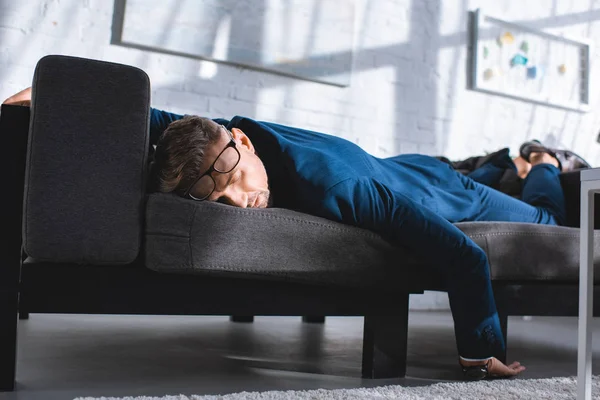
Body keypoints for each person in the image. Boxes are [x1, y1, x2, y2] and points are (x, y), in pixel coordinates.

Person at [1, 87, 580, 380]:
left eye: (233, 183)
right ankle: (499, 161)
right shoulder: (222, 142)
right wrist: (56, 96)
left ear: (244, 144)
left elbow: (462, 254)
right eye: (216, 203)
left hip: (444, 194)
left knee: (546, 216)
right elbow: (159, 124)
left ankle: (542, 162)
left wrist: (483, 353)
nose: (240, 204)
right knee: (465, 168)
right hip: (405, 164)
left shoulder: (338, 191)